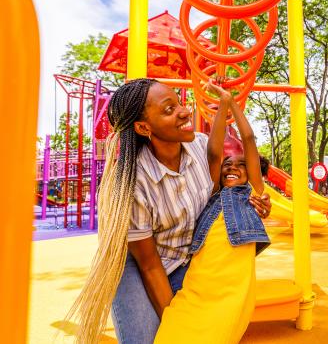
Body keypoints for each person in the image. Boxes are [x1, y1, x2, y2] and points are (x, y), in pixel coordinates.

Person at [64, 79, 271, 344]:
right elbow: (150, 266)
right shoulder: (131, 184)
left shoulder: (200, 148)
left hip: (188, 255)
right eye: (169, 109)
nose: (184, 112)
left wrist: (257, 205)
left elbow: (231, 195)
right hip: (142, 263)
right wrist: (175, 321)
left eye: (179, 103)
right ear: (143, 127)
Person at [154, 83, 269, 343]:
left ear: (251, 171)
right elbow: (214, 150)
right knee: (175, 327)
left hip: (232, 285)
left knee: (219, 332)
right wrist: (222, 107)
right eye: (228, 164)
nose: (233, 168)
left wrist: (231, 103)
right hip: (201, 280)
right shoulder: (213, 190)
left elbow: (248, 140)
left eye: (242, 165)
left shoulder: (253, 191)